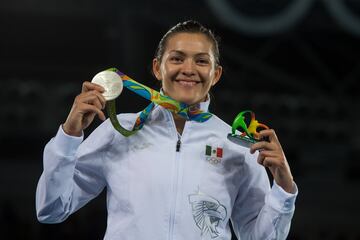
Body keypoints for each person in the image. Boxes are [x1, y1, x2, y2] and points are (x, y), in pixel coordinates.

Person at [36, 20, 298, 240]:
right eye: (177, 58)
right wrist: (69, 136)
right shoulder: (119, 131)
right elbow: (51, 208)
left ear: (215, 75)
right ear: (157, 68)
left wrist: (284, 188)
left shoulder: (237, 146)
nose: (188, 69)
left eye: (201, 61)